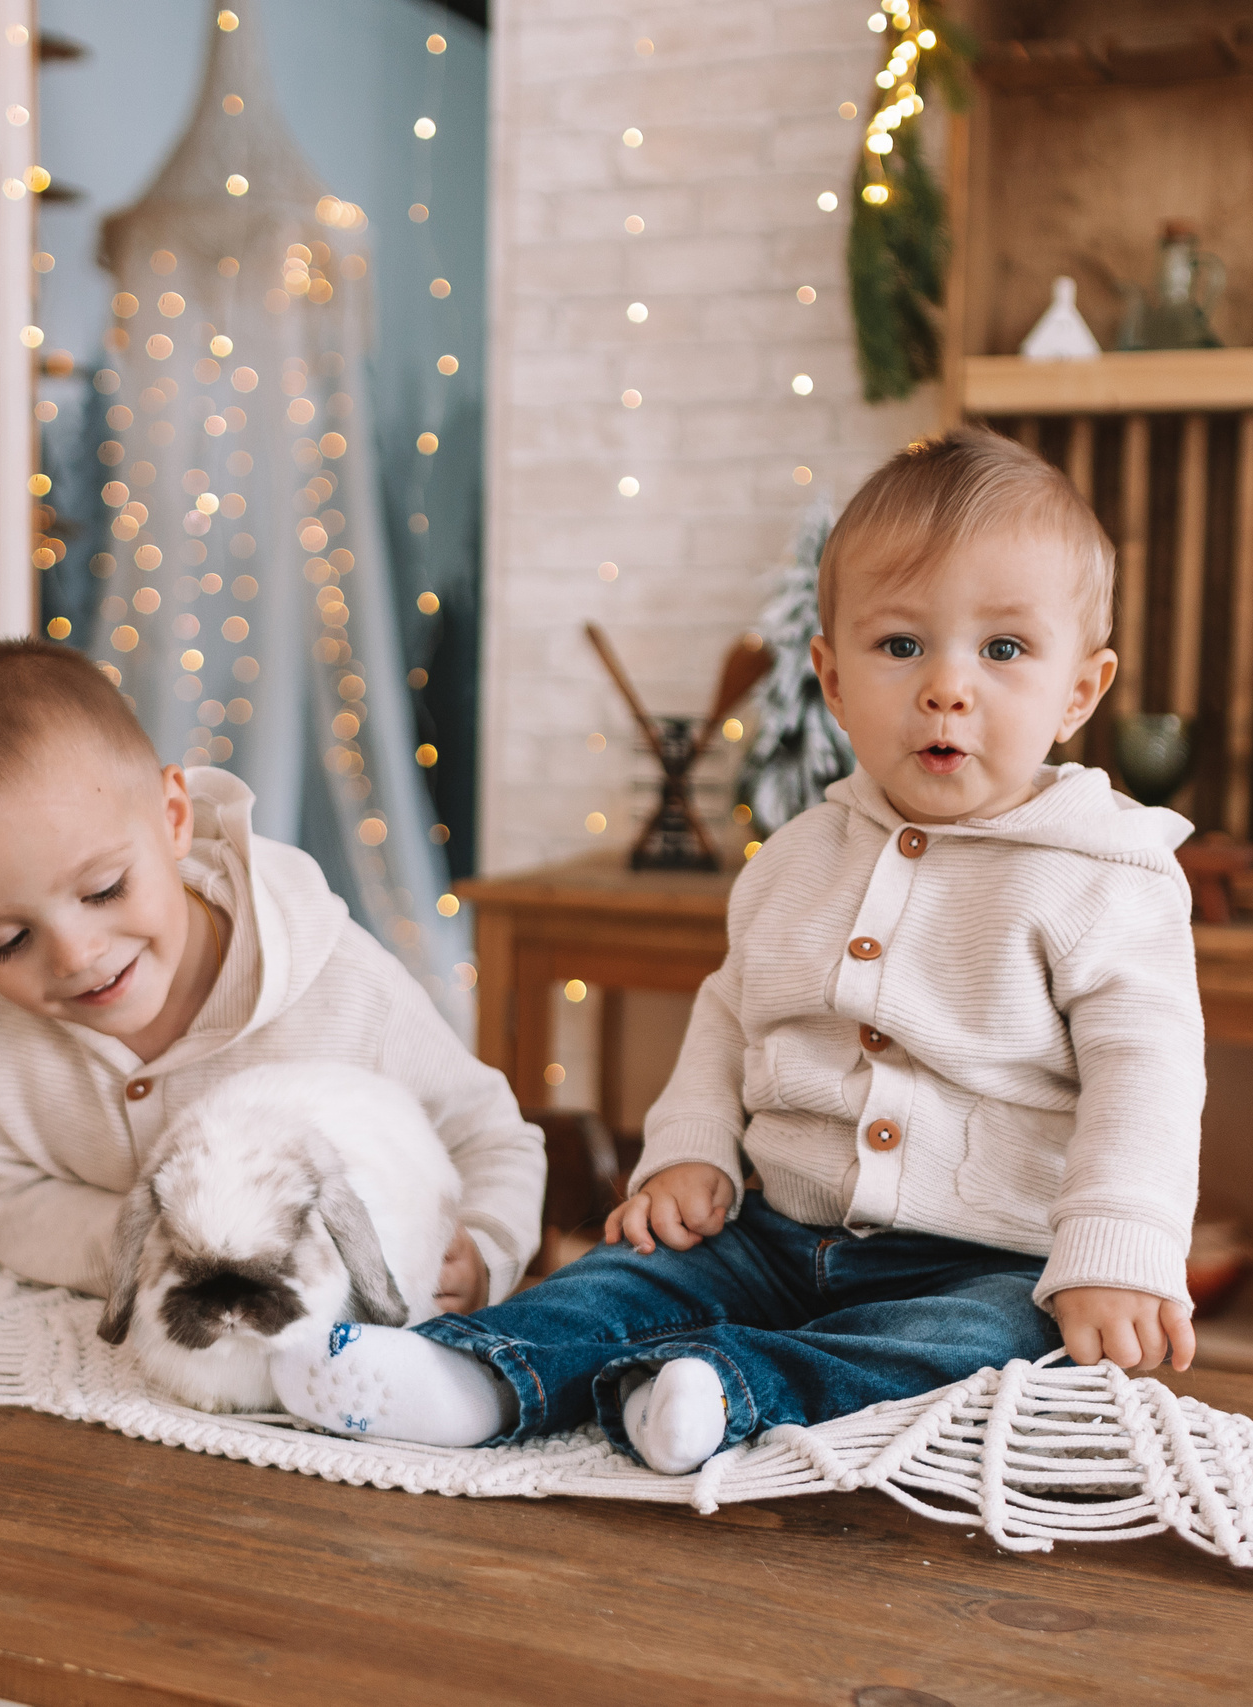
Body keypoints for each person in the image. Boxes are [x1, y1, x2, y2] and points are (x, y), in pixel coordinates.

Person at [271, 429, 1203, 1473]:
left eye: (1002, 650)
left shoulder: (1104, 873)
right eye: (900, 646)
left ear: (1080, 690)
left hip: (980, 1258)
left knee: (989, 1352)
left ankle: (719, 1393)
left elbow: (1148, 1074)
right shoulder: (798, 858)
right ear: (832, 678)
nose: (947, 687)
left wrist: (1116, 1253)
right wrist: (686, 1152)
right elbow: (728, 1016)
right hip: (769, 1232)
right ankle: (469, 1373)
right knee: (627, 1274)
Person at [0, 640, 545, 1315]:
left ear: (175, 819)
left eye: (103, 889)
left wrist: (484, 1251)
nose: (75, 955)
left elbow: (493, 1139)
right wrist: (156, 1248)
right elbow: (0, 1198)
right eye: (8, 941)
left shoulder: (348, 988)